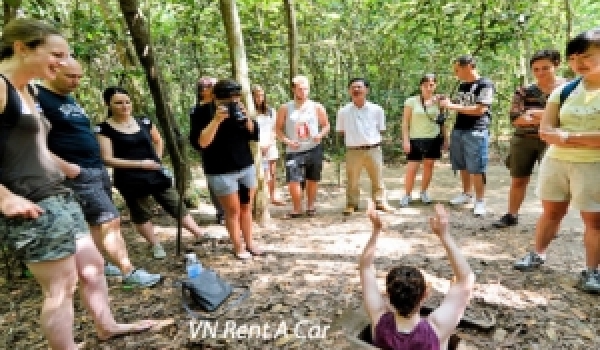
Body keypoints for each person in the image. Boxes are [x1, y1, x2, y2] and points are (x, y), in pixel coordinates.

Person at [0, 18, 158, 350]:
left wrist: (68, 167)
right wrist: (4, 197)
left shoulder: (28, 90)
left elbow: (34, 147)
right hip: (30, 202)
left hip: (59, 193)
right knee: (61, 285)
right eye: (55, 54)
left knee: (92, 267)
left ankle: (107, 326)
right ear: (21, 48)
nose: (61, 62)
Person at [38, 58, 160, 285]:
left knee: (97, 222)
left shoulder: (69, 99)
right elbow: (33, 142)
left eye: (79, 77)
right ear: (52, 71)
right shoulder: (38, 96)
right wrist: (68, 168)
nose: (76, 81)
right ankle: (129, 272)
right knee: (110, 220)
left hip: (95, 168)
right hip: (77, 172)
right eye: (70, 77)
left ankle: (101, 264)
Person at [514, 29, 600, 293]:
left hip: (593, 165)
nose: (579, 64)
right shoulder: (565, 91)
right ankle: (538, 253)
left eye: (586, 56)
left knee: (594, 221)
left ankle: (592, 270)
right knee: (551, 212)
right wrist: (579, 138)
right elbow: (545, 132)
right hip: (556, 163)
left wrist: (566, 135)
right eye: (573, 58)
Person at [96, 86, 209, 259]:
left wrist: (156, 159)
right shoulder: (103, 129)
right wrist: (140, 164)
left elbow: (158, 140)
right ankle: (155, 244)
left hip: (155, 173)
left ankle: (199, 233)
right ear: (108, 104)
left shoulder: (144, 121)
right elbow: (107, 158)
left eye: (127, 102)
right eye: (118, 103)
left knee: (174, 202)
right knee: (140, 212)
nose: (124, 106)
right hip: (129, 177)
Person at [360, 201, 475, 349]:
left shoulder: (378, 320)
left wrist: (376, 230)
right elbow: (466, 278)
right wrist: (444, 235)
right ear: (425, 294)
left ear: (388, 296)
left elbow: (365, 268)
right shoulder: (437, 328)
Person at [492, 50, 566, 228]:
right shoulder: (524, 91)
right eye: (536, 69)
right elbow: (516, 118)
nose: (540, 73)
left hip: (552, 142)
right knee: (518, 179)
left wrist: (535, 114)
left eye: (545, 68)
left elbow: (568, 118)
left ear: (556, 65)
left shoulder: (569, 88)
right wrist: (550, 116)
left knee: (550, 182)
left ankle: (550, 223)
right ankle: (511, 215)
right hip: (523, 140)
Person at [191, 79, 263, 259]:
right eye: (227, 98)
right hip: (221, 170)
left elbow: (254, 134)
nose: (232, 101)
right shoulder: (200, 112)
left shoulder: (238, 107)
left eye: (236, 97)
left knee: (246, 207)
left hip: (245, 166)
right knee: (233, 211)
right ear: (215, 96)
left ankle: (250, 243)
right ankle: (238, 247)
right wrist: (216, 120)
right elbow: (201, 143)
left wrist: (246, 118)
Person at [439, 55, 495, 216]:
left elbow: (480, 109)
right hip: (459, 129)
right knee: (462, 164)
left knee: (476, 167)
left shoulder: (485, 84)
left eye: (458, 69)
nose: (456, 73)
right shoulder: (463, 86)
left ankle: (480, 201)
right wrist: (445, 101)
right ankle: (466, 193)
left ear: (469, 66)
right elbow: (459, 105)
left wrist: (451, 106)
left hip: (476, 130)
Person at [336, 78, 394, 215]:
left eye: (359, 87)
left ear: (366, 90)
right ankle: (351, 204)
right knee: (352, 180)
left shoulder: (377, 110)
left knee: (378, 178)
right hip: (353, 150)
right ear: (349, 91)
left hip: (373, 149)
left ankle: (380, 202)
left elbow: (380, 129)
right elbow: (341, 131)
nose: (356, 90)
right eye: (353, 87)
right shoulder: (343, 112)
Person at [275, 75, 330, 218]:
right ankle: (297, 208)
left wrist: (320, 135)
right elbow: (278, 129)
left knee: (312, 178)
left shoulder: (317, 106)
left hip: (313, 147)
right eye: (300, 89)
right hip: (294, 149)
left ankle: (310, 206)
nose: (303, 92)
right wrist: (287, 141)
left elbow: (326, 125)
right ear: (293, 89)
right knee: (293, 180)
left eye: (306, 89)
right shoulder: (285, 108)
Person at [400, 74, 448, 208]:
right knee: (412, 168)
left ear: (435, 86)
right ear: (421, 86)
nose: (428, 87)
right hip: (415, 138)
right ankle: (407, 194)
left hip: (433, 138)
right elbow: (405, 122)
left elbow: (442, 121)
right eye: (425, 85)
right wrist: (406, 140)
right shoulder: (411, 101)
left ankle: (424, 192)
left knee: (429, 165)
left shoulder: (439, 101)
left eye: (431, 84)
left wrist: (446, 139)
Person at [192, 76, 225, 224]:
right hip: (209, 150)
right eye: (212, 85)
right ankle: (221, 212)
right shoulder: (197, 109)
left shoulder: (221, 104)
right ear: (203, 90)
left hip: (227, 148)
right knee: (214, 182)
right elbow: (197, 135)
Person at [252, 84, 285, 206]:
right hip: (255, 146)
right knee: (258, 173)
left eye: (261, 95)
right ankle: (259, 198)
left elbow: (274, 129)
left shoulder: (271, 111)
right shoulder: (250, 112)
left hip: (270, 145)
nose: (259, 98)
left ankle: (272, 197)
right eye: (256, 96)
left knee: (272, 172)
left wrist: (269, 144)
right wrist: (259, 146)